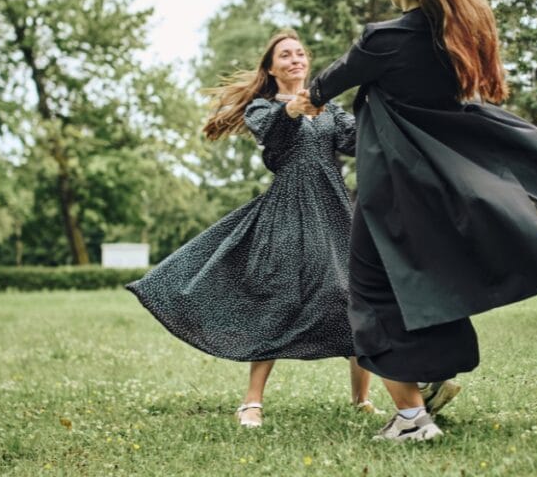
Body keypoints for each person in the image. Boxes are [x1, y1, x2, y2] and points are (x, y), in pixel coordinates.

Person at [295, 0, 537, 441]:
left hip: (389, 195)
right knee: (426, 286)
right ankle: (432, 385)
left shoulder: (382, 40)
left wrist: (305, 101)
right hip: (438, 192)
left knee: (369, 298)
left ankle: (411, 420)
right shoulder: (453, 38)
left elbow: (330, 82)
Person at [127, 29, 378, 428]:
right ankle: (251, 402)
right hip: (287, 210)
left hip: (333, 209)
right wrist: (293, 110)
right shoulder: (262, 109)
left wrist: (382, 105)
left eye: (300, 53)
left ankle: (362, 399)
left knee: (353, 295)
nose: (295, 59)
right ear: (271, 67)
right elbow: (275, 138)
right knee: (278, 297)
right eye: (285, 55)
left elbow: (357, 140)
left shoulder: (329, 109)